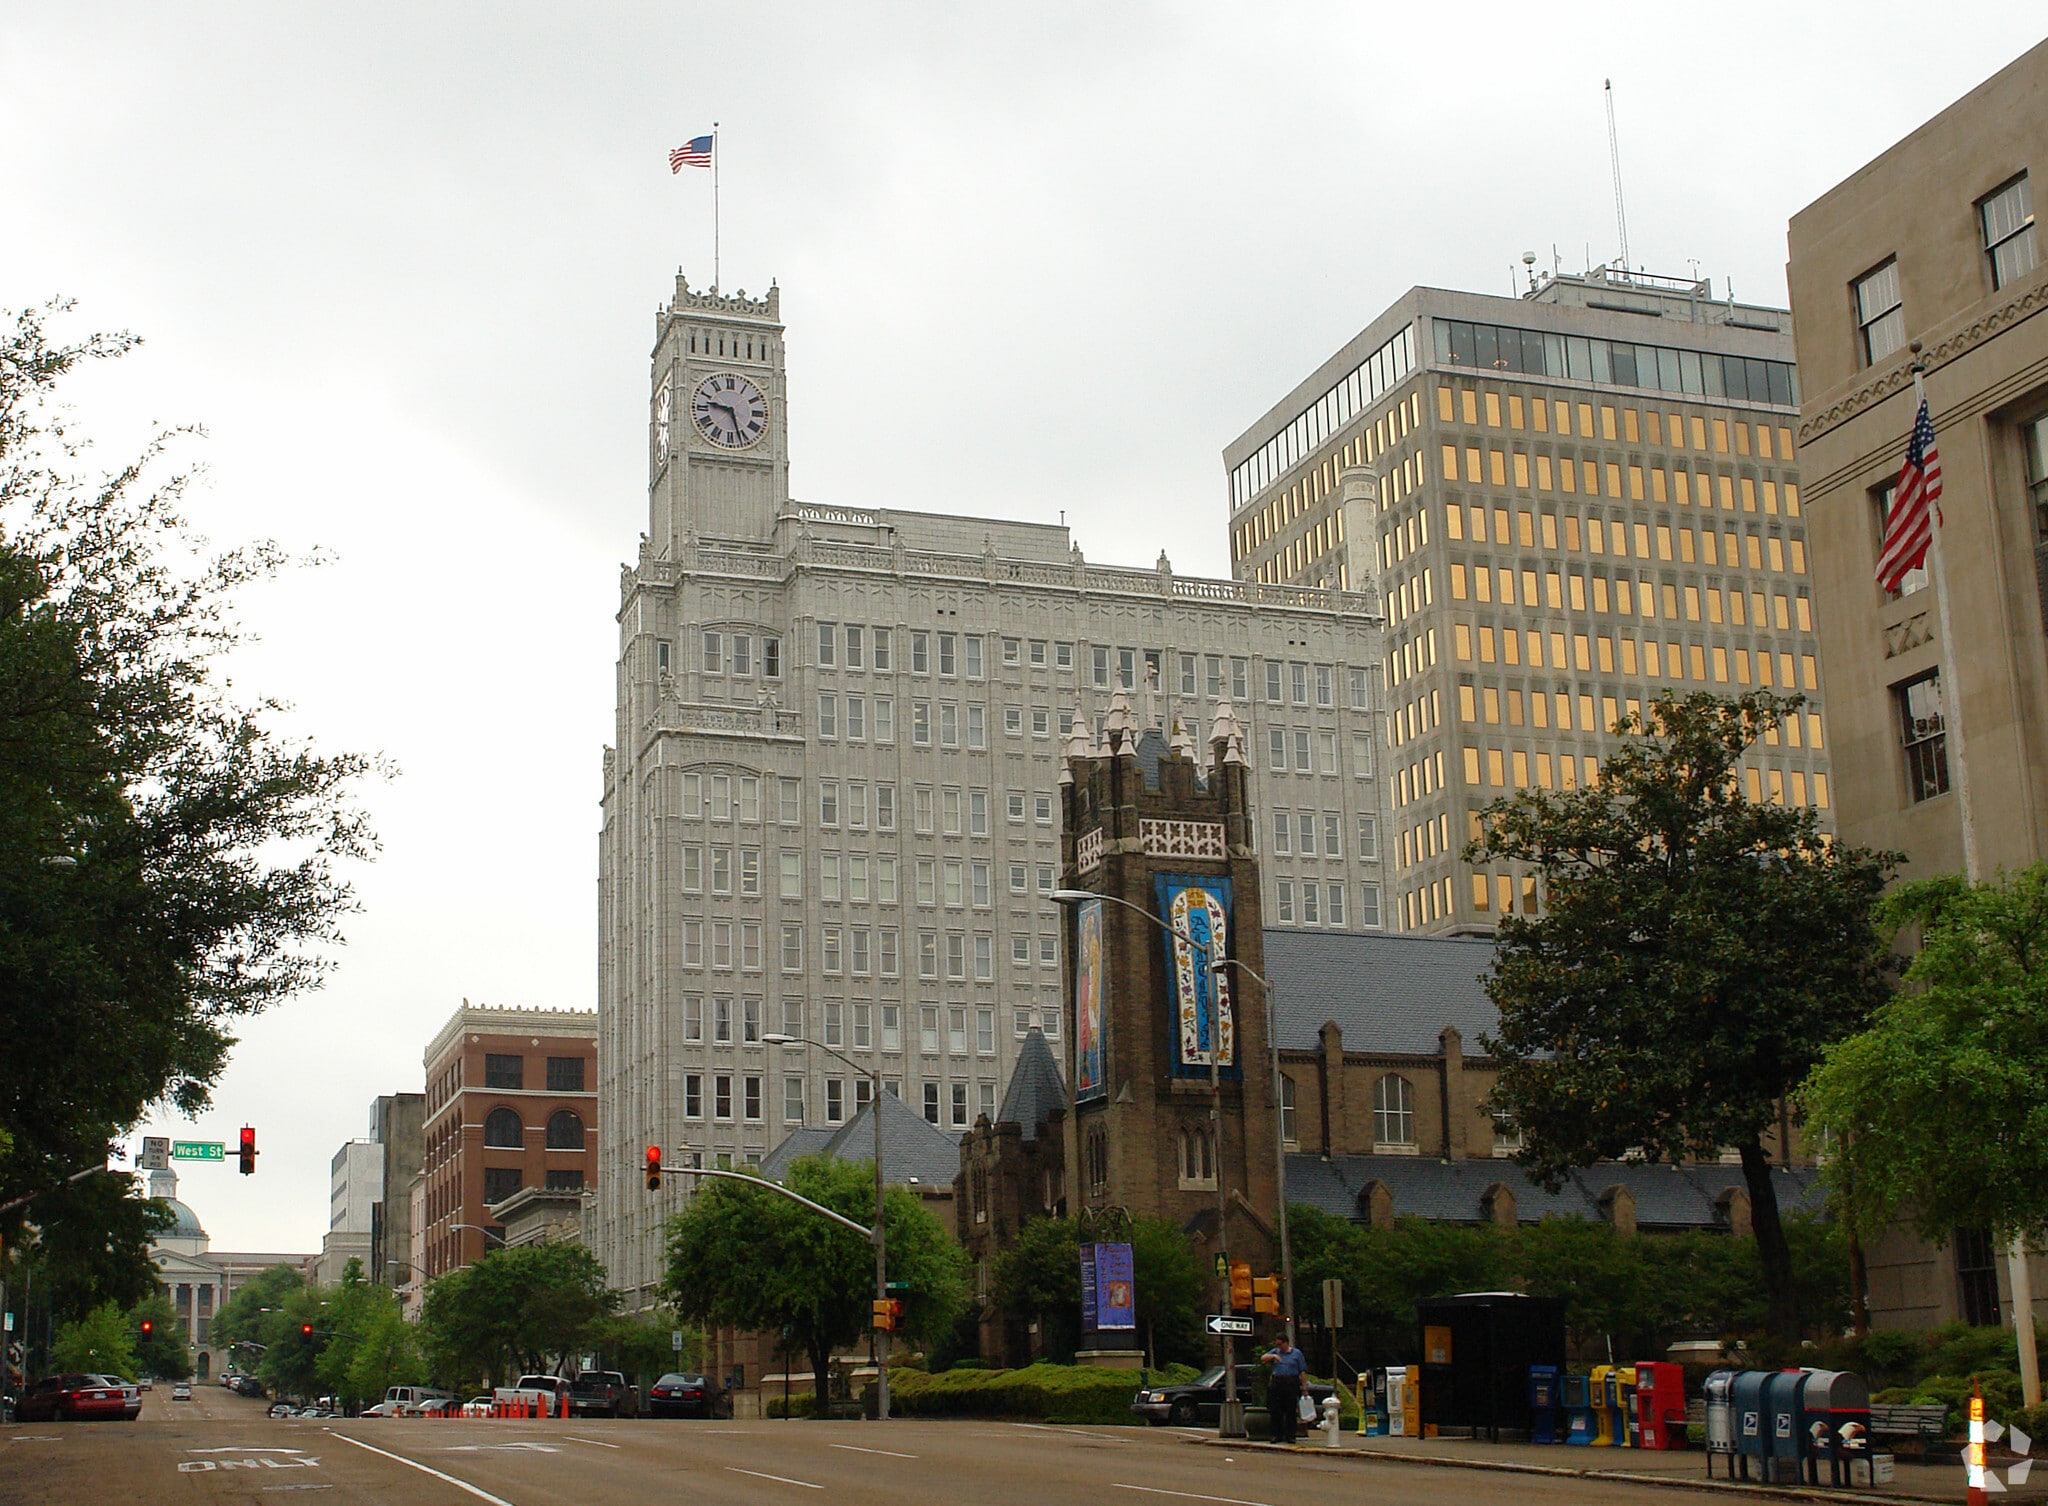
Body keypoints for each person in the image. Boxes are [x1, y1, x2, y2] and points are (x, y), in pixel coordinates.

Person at [1261, 1333, 1308, 1444]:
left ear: (1286, 1343)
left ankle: (1291, 1435)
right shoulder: (1275, 1352)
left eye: (1280, 1344)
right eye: (1277, 1344)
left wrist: (1304, 1387)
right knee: (1276, 1410)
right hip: (1277, 1382)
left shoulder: (1296, 1354)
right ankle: (1276, 1434)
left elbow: (1302, 1371)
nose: (1279, 1347)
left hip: (1291, 1381)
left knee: (1290, 1410)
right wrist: (1273, 1356)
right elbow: (1263, 1358)